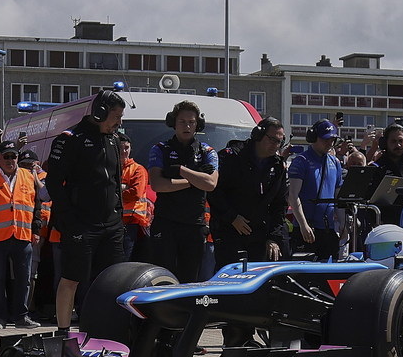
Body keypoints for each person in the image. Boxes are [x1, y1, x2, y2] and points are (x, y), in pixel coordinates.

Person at [44, 90, 127, 331]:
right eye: (116, 116)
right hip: (81, 225)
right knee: (71, 278)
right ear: (100, 112)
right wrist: (69, 221)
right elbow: (53, 183)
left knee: (113, 280)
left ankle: (107, 331)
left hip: (111, 225)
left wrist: (118, 216)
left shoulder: (113, 140)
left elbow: (115, 181)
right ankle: (63, 333)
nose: (119, 122)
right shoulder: (70, 139)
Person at [146, 100, 219, 284]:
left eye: (191, 122)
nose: (187, 126)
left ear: (197, 124)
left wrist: (181, 170)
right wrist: (195, 179)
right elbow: (157, 184)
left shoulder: (207, 151)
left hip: (194, 225)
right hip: (165, 223)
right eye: (182, 122)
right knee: (163, 278)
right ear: (174, 123)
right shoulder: (160, 149)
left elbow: (210, 184)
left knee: (190, 280)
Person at [212, 118, 289, 266]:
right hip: (229, 229)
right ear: (258, 135)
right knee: (229, 274)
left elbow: (280, 204)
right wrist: (232, 217)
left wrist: (273, 237)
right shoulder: (231, 157)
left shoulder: (278, 166)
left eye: (279, 142)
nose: (275, 145)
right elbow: (214, 191)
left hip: (259, 233)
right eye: (272, 139)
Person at [0, 146, 41, 328]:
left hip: (22, 235)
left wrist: (36, 230)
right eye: (6, 156)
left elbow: (36, 206)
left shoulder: (28, 176)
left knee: (24, 279)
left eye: (13, 156)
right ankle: (0, 318)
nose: (10, 160)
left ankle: (21, 317)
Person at [288, 119, 345, 259]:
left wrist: (343, 224)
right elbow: (293, 196)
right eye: (325, 139)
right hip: (307, 228)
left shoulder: (335, 162)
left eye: (332, 140)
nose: (329, 143)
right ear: (313, 138)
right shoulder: (301, 161)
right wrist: (303, 225)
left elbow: (338, 197)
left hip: (328, 229)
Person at [118, 136, 152, 261]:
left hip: (131, 223)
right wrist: (123, 188)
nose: (124, 151)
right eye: (120, 148)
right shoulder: (109, 168)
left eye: (126, 148)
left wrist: (113, 194)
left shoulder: (138, 169)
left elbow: (135, 193)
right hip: (111, 222)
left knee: (124, 261)